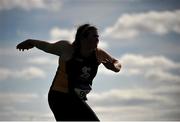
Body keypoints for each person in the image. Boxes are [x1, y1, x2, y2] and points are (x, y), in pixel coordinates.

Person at [16, 24, 121, 121]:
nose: (98, 39)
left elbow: (116, 63)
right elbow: (47, 47)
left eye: (98, 36)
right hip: (58, 96)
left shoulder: (98, 54)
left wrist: (114, 67)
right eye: (94, 36)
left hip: (77, 98)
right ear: (82, 38)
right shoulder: (67, 48)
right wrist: (31, 42)